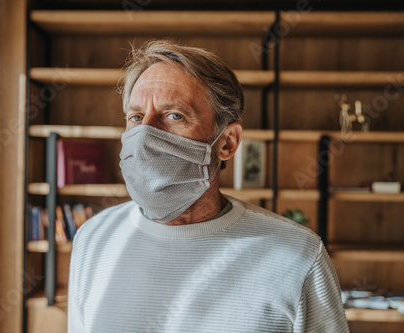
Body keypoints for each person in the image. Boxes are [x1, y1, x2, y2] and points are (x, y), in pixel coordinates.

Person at [68, 40, 349, 333]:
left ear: (227, 142)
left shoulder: (297, 256)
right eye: (136, 117)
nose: (145, 134)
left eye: (174, 115)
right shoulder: (93, 239)